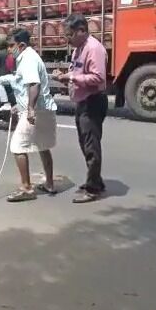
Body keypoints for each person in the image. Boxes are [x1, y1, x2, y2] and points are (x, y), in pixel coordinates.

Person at [53, 14, 108, 203]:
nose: (66, 39)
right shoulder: (79, 48)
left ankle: (93, 189)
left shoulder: (93, 48)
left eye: (69, 35)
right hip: (83, 101)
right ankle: (96, 181)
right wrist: (65, 75)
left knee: (91, 145)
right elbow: (78, 71)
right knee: (85, 144)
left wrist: (71, 78)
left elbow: (98, 78)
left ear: (81, 31)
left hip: (93, 101)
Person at [6, 28, 58, 202]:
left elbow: (34, 84)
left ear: (21, 45)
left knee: (17, 146)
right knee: (43, 146)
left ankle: (26, 188)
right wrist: (20, 106)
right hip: (45, 108)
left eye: (11, 46)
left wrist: (29, 109)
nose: (9, 49)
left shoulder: (27, 58)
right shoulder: (30, 56)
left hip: (37, 109)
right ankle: (49, 183)